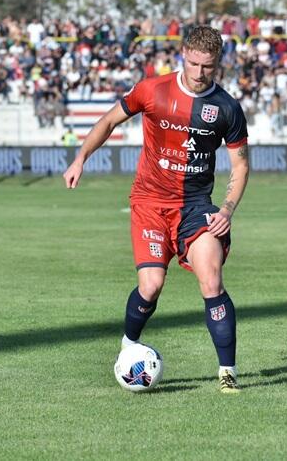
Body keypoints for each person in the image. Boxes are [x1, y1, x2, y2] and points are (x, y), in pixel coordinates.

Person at [63, 26, 250, 393]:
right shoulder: (153, 90)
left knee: (211, 279)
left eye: (208, 66)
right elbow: (109, 120)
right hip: (149, 203)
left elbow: (240, 165)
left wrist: (227, 210)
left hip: (196, 207)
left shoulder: (227, 108)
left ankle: (227, 371)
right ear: (183, 55)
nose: (199, 73)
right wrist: (80, 158)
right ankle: (129, 345)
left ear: (218, 63)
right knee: (151, 286)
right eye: (193, 63)